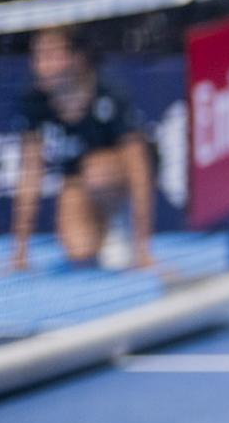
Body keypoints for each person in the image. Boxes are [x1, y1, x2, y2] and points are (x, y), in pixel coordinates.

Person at [10, 27, 154, 273]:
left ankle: (119, 227)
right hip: (76, 180)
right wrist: (20, 251)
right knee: (79, 253)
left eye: (51, 55)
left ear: (76, 58)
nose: (41, 64)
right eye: (38, 56)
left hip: (118, 176)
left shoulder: (108, 91)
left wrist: (143, 250)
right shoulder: (34, 100)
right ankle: (102, 232)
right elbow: (29, 175)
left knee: (97, 173)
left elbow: (139, 168)